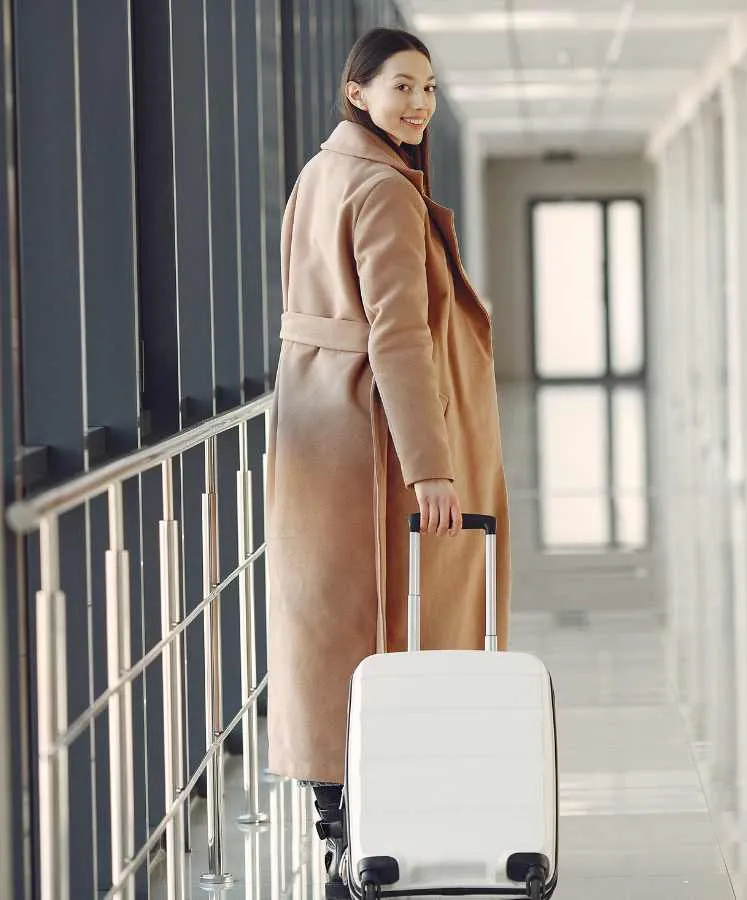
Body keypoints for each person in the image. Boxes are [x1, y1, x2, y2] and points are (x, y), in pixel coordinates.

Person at [265, 26, 511, 887]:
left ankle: (340, 821)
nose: (418, 104)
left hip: (319, 430)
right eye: (401, 86)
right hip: (371, 440)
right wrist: (430, 466)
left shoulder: (320, 174)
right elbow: (399, 338)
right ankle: (373, 818)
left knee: (332, 627)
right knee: (391, 628)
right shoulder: (381, 190)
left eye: (430, 88)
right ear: (357, 91)